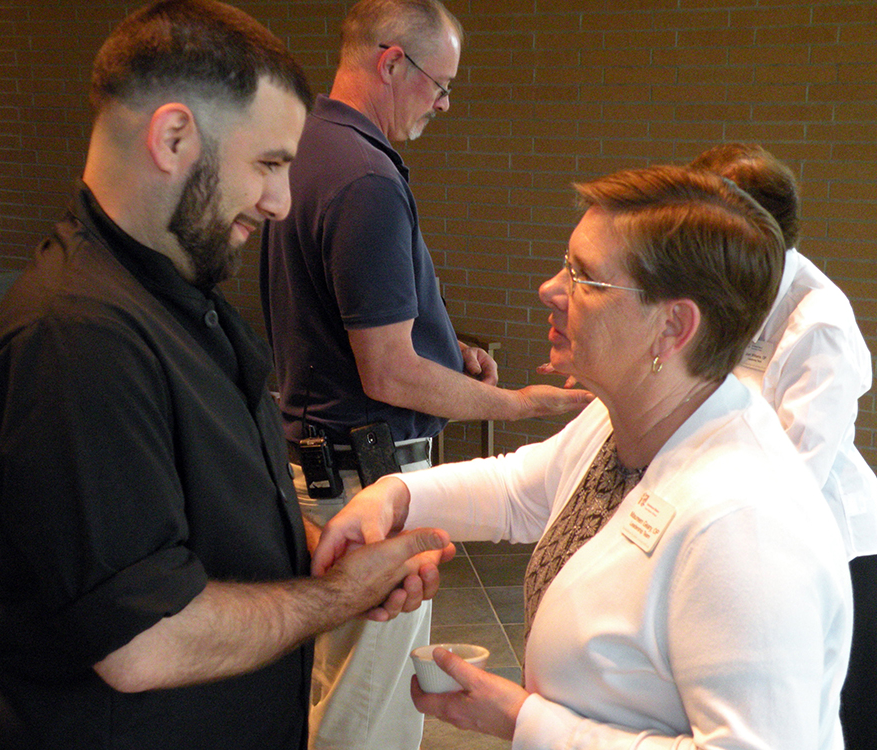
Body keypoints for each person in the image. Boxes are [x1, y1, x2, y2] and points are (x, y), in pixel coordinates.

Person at [0, 2, 454, 749]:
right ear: (173, 138)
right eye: (268, 164)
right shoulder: (76, 338)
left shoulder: (176, 301)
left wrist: (313, 546)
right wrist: (333, 594)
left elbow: (184, 524)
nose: (281, 203)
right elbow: (145, 639)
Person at [315, 165, 854, 749]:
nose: (549, 289)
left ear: (673, 327)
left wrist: (528, 724)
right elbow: (524, 488)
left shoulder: (746, 524)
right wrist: (393, 497)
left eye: (584, 278)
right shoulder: (627, 413)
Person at [260, 2, 590, 748]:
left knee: (332, 682)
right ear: (391, 62)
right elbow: (389, 374)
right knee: (367, 707)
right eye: (439, 85)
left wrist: (446, 349)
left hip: (315, 458)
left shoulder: (306, 145)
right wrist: (514, 402)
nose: (442, 104)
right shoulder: (367, 178)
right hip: (364, 471)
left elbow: (343, 323)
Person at [689, 142, 877, 750]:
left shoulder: (818, 318)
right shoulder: (731, 293)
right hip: (753, 529)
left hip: (831, 542)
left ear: (757, 231)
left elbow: (796, 469)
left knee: (849, 715)